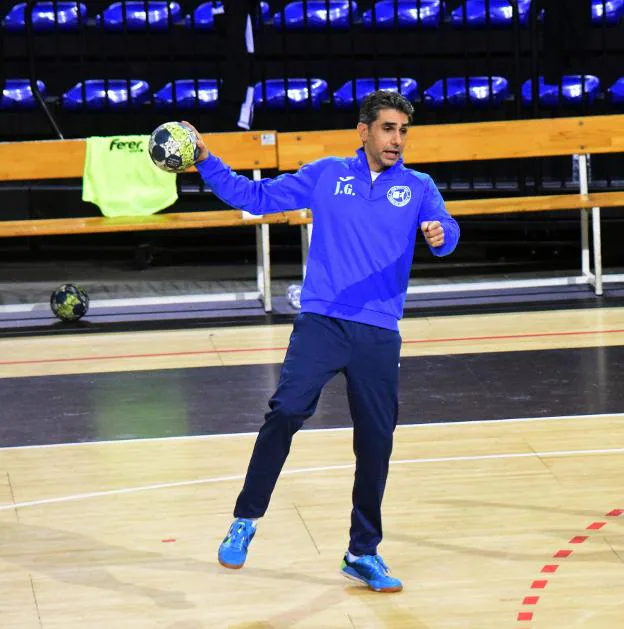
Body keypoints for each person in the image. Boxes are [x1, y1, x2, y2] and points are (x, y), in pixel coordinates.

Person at [183, 90, 460, 593]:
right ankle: (245, 520)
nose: (396, 139)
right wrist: (206, 160)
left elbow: (450, 229)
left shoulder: (419, 186)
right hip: (323, 323)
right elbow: (256, 198)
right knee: (286, 411)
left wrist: (443, 234)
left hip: (378, 331)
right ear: (364, 130)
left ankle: (362, 552)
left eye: (403, 130)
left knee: (376, 442)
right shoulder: (329, 174)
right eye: (388, 129)